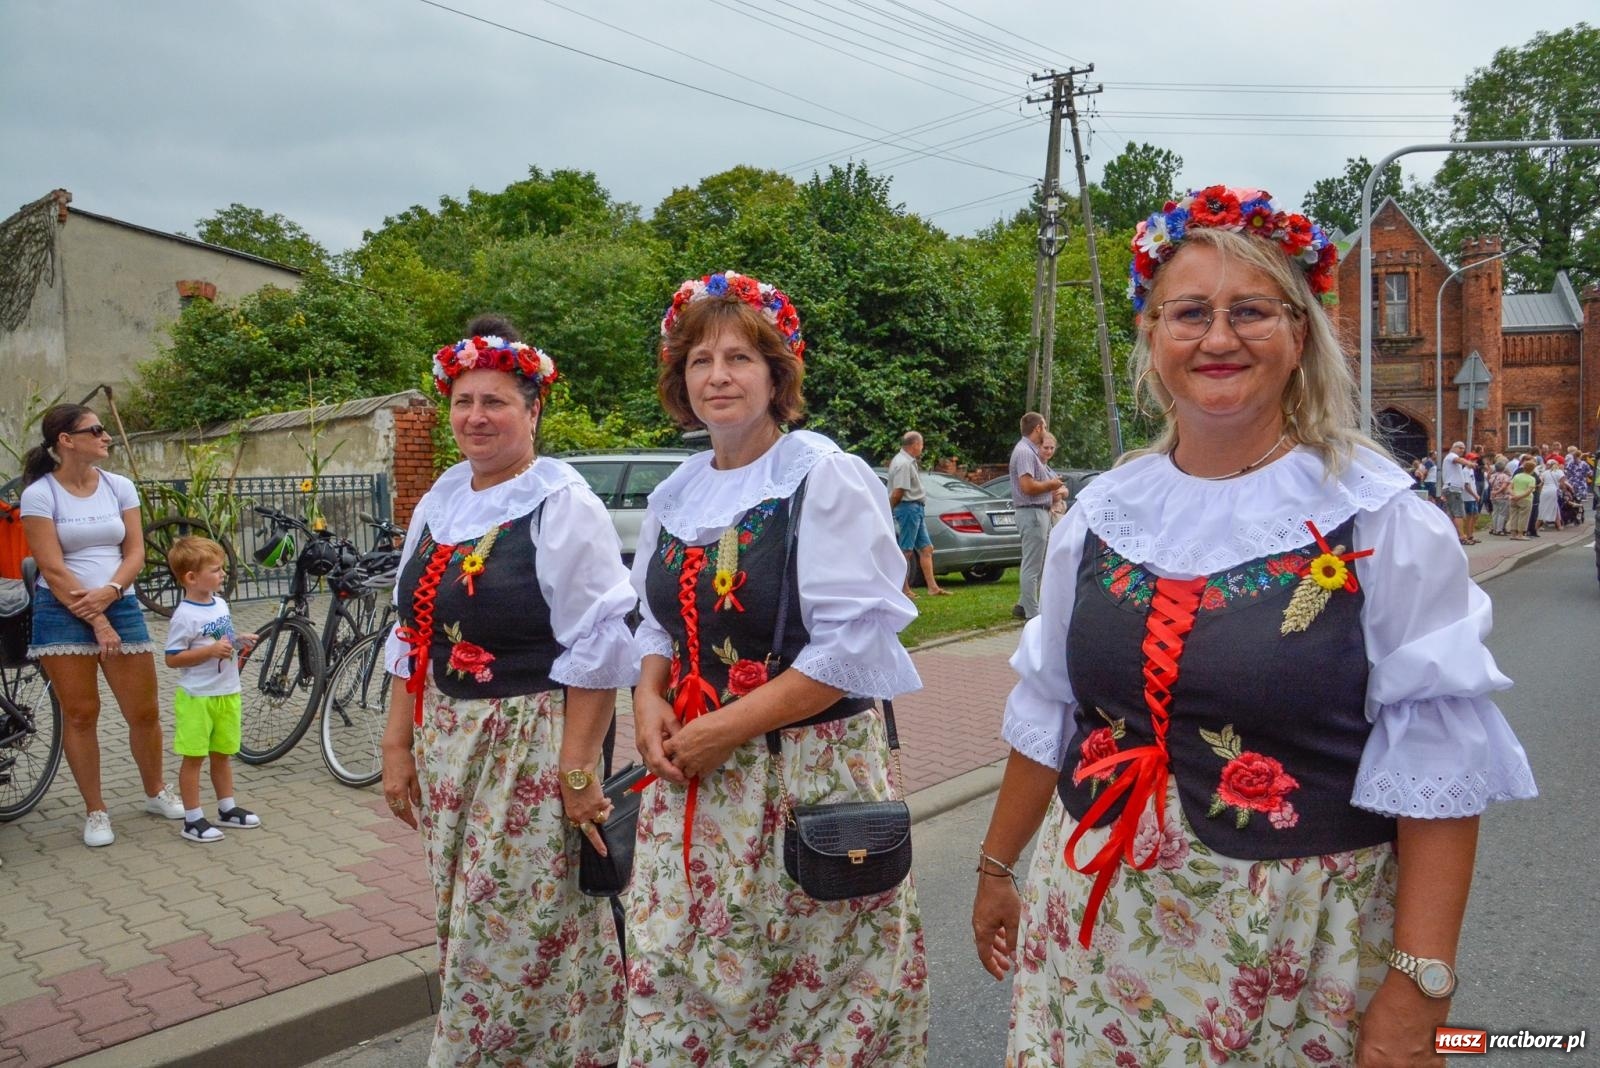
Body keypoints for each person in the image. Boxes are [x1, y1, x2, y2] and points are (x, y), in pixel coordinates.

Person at [971, 185, 1536, 1066]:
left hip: (1288, 942)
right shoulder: (1103, 514)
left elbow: (1437, 758)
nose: (1219, 337)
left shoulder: (1378, 519)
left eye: (1251, 311)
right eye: (1189, 312)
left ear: (1300, 333)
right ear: (1152, 337)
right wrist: (997, 867)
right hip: (1093, 920)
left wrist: (1422, 983)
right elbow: (1049, 706)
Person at [625, 271, 929, 1065]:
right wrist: (648, 696)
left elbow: (853, 646)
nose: (717, 376)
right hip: (695, 776)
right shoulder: (678, 490)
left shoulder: (821, 476)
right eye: (698, 360)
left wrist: (725, 728)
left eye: (738, 358)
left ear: (776, 374)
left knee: (809, 1003)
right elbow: (655, 619)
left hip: (803, 776)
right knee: (673, 988)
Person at [380, 315, 635, 1067]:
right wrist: (396, 744)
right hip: (449, 738)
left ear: (533, 411)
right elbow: (413, 633)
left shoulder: (563, 505)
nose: (476, 417)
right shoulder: (442, 500)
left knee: (526, 921)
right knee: (469, 917)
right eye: (463, 402)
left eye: (496, 401)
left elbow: (600, 645)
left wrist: (579, 770)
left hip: (532, 739)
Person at [19, 404, 185, 847]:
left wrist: (111, 593)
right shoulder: (40, 495)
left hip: (120, 604)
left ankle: (155, 791)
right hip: (61, 611)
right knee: (80, 714)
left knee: (144, 712)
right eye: (95, 429)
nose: (106, 435)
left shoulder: (119, 486)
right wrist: (95, 619)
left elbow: (135, 553)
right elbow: (51, 569)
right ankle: (96, 811)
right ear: (65, 441)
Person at [161, 536, 261, 843]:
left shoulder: (219, 603)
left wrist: (237, 638)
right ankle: (192, 818)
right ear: (192, 578)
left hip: (227, 691)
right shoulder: (185, 616)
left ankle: (226, 807)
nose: (222, 575)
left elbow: (222, 637)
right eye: (216, 570)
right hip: (197, 697)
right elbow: (172, 658)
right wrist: (208, 652)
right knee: (194, 757)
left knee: (223, 753)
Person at [1009, 412, 1064, 621]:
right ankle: (1033, 615)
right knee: (1032, 565)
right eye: (1045, 426)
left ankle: (1024, 605)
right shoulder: (1024, 452)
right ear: (1038, 428)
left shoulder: (1031, 452)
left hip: (1039, 512)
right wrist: (1053, 485)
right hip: (1031, 512)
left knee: (1040, 563)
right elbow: (1027, 486)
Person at [888, 429, 950, 597]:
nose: (922, 447)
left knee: (926, 548)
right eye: (921, 444)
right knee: (906, 550)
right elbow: (898, 491)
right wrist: (888, 509)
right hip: (908, 508)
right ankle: (903, 588)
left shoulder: (908, 461)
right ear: (915, 445)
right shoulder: (903, 463)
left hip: (916, 508)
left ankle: (933, 587)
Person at [1441, 441, 1474, 544]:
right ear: (1453, 447)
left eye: (1463, 448)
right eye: (1460, 447)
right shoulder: (1451, 456)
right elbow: (1458, 460)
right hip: (1453, 489)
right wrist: (1469, 463)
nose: (1462, 450)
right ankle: (1462, 537)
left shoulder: (1450, 457)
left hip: (1452, 488)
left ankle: (1452, 536)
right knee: (1458, 513)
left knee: (1451, 514)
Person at [1040, 432, 1071, 523]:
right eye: (1046, 448)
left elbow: (1064, 492)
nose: (1049, 451)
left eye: (1052, 448)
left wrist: (1063, 491)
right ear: (1038, 446)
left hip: (1057, 514)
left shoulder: (1049, 469)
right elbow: (1053, 494)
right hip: (1046, 515)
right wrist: (1059, 492)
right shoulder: (1037, 468)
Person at [1508, 457, 1537, 541]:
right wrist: (1519, 496)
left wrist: (1514, 495)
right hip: (1525, 499)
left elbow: (1509, 487)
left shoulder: (1517, 476)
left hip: (1514, 498)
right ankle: (1520, 534)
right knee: (1523, 516)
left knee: (1513, 516)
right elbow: (1529, 491)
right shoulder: (1532, 479)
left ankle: (1513, 533)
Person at [1537, 457, 1565, 530]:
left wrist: (1540, 492)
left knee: (1547, 507)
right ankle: (1536, 526)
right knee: (1552, 507)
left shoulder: (1544, 473)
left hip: (1544, 491)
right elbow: (1562, 484)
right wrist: (1562, 490)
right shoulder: (1559, 472)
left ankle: (1558, 525)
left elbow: (1540, 483)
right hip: (1553, 491)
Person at [1487, 457, 1512, 536]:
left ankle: (1494, 528)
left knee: (1495, 512)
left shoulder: (1493, 476)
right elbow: (1504, 486)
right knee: (1502, 513)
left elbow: (1489, 481)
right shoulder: (1505, 476)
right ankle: (1499, 529)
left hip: (1493, 496)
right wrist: (1498, 491)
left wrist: (1494, 492)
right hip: (1502, 496)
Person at [1460, 452, 1482, 541]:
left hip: (1473, 497)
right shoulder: (1465, 471)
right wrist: (1475, 495)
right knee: (1469, 517)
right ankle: (1467, 535)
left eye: (1476, 460)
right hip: (1468, 497)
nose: (1475, 462)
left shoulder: (1471, 470)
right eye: (1473, 460)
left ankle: (1471, 534)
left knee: (1475, 516)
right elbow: (1466, 485)